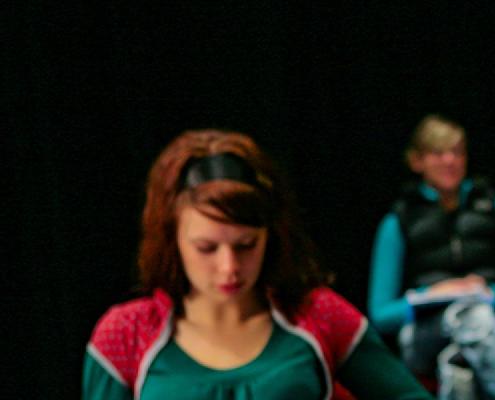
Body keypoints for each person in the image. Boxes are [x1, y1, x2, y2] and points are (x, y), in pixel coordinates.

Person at [83, 130, 431, 399]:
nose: (229, 267)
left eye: (246, 245)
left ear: (270, 237)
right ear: (172, 240)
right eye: (207, 248)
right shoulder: (126, 334)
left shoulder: (317, 315)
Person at [369, 114, 495, 400]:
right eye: (438, 153)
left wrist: (487, 294)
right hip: (425, 336)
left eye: (457, 152)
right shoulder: (398, 221)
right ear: (417, 161)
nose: (449, 161)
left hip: (494, 328)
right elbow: (381, 314)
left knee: (458, 365)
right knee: (476, 321)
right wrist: (433, 294)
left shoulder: (494, 208)